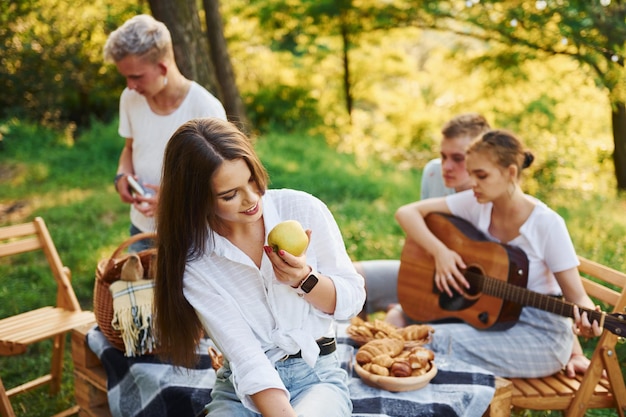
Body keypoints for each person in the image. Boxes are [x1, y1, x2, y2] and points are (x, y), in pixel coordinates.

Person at [153, 117, 366, 417]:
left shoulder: (303, 209)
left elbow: (353, 301)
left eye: (251, 179)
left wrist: (304, 279)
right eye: (230, 195)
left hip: (316, 375)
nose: (252, 199)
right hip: (242, 388)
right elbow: (246, 358)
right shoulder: (195, 260)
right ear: (197, 201)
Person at [394, 129, 602, 378]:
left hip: (541, 337)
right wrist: (441, 253)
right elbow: (406, 213)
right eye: (471, 174)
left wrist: (587, 324)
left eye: (481, 175)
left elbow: (578, 297)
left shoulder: (547, 224)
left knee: (428, 342)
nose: (473, 183)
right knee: (418, 334)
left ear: (511, 172)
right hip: (489, 321)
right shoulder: (477, 203)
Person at [103, 14, 227, 252]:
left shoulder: (205, 109)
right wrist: (122, 176)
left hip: (190, 233)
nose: (130, 85)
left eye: (136, 76)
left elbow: (221, 182)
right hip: (141, 231)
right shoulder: (130, 98)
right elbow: (129, 148)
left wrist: (170, 202)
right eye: (126, 77)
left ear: (162, 67)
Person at [355, 113, 491, 320]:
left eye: (458, 159)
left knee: (394, 320)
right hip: (426, 271)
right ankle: (350, 345)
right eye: (444, 156)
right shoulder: (433, 172)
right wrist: (439, 253)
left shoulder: (489, 195)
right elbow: (418, 227)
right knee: (351, 278)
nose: (446, 166)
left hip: (456, 294)